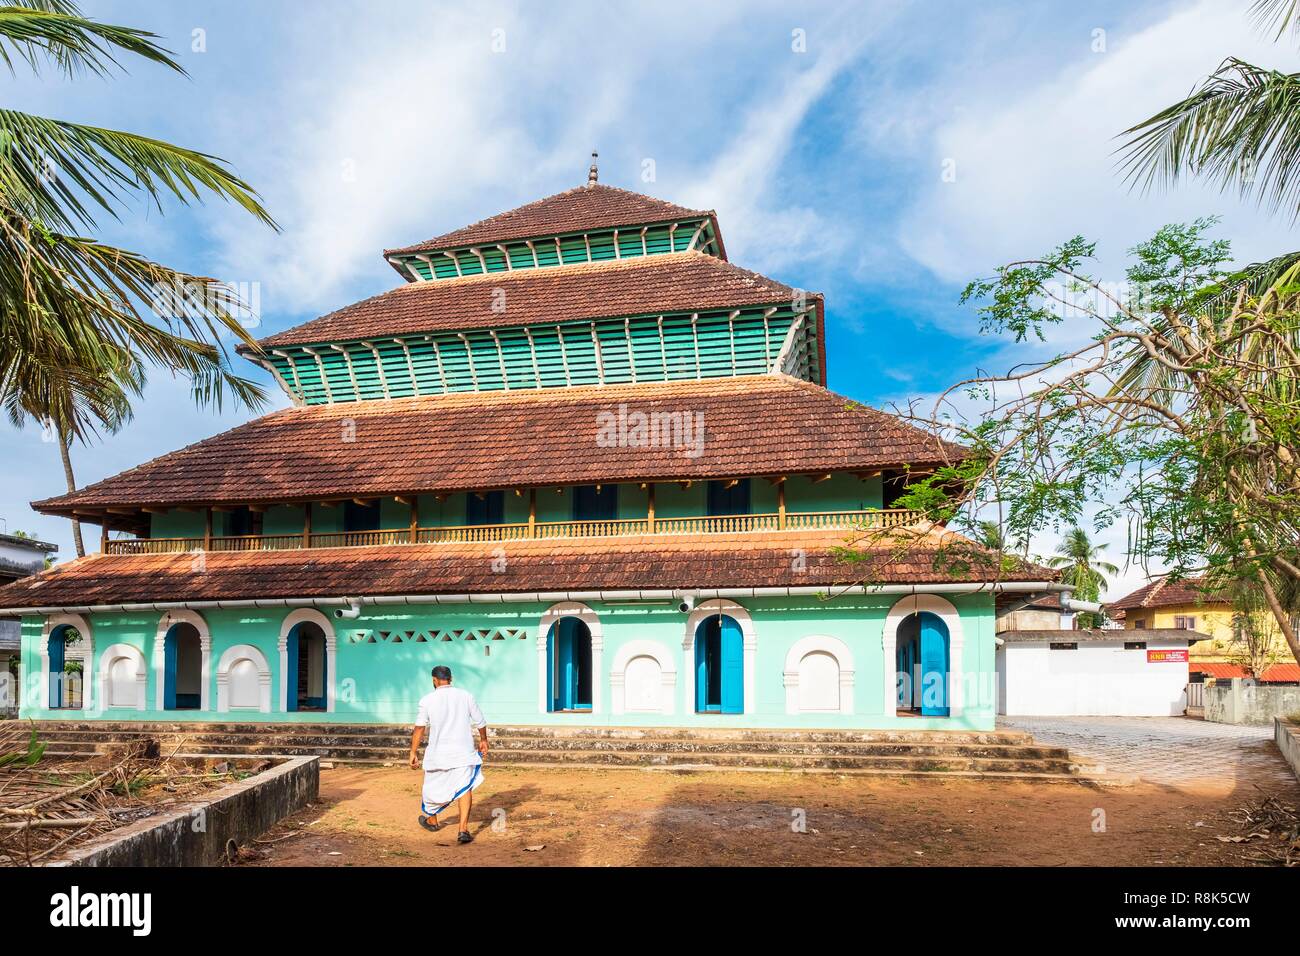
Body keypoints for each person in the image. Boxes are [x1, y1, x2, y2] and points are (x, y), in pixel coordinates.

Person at [409, 665, 489, 844]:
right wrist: (483, 739)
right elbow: (480, 721)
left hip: (438, 753)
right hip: (463, 752)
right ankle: (463, 830)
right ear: (450, 679)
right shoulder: (466, 696)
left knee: (432, 787)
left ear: (434, 680)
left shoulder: (427, 700)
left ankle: (433, 820)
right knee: (464, 787)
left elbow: (420, 728)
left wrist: (413, 752)